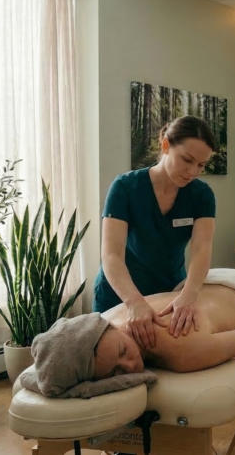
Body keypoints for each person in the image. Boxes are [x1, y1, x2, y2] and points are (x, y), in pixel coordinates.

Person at [93, 115, 218, 351]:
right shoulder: (125, 188)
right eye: (187, 160)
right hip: (120, 295)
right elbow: (111, 255)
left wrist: (189, 296)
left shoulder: (202, 195)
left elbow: (202, 250)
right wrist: (134, 302)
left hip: (168, 296)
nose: (193, 171)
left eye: (201, 165)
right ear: (165, 146)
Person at [93, 285, 235, 378]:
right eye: (115, 372)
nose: (129, 366)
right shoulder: (105, 320)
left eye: (122, 351)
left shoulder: (180, 348)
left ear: (116, 329)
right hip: (208, 280)